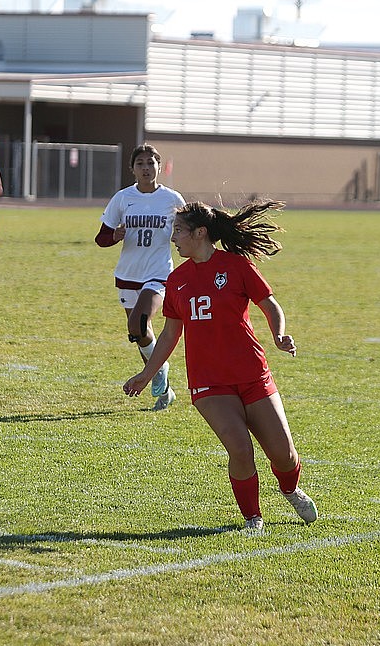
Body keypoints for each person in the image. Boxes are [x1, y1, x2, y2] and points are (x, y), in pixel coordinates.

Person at [123, 199, 318, 533]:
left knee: (284, 455)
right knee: (240, 449)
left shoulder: (237, 266)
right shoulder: (178, 279)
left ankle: (290, 489)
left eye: (179, 231)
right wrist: (147, 373)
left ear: (200, 233)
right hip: (209, 383)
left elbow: (269, 305)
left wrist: (279, 335)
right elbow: (171, 333)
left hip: (253, 374)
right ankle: (253, 518)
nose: (174, 238)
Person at [96, 143, 182, 410]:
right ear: (132, 169)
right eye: (140, 163)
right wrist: (114, 236)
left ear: (159, 166)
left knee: (141, 319)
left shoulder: (172, 200)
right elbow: (101, 238)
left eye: (151, 163)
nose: (146, 168)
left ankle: (155, 374)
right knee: (138, 331)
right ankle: (163, 383)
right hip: (128, 275)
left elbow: (190, 230)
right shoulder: (122, 198)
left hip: (158, 273)